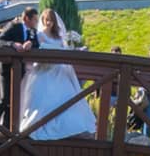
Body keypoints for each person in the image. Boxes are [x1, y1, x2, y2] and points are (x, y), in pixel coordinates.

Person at [18, 9, 97, 139]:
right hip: (44, 72)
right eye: (46, 20)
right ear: (43, 21)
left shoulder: (59, 38)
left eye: (51, 20)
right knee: (43, 102)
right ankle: (35, 127)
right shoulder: (39, 35)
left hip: (60, 73)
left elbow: (65, 51)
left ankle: (69, 130)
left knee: (66, 100)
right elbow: (33, 48)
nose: (48, 23)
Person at [0, 7, 38, 127]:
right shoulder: (13, 26)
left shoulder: (32, 31)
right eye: (34, 20)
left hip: (20, 69)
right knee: (4, 98)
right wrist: (13, 44)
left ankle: (7, 128)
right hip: (6, 67)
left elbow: (37, 44)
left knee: (13, 100)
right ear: (27, 18)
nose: (36, 23)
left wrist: (31, 44)